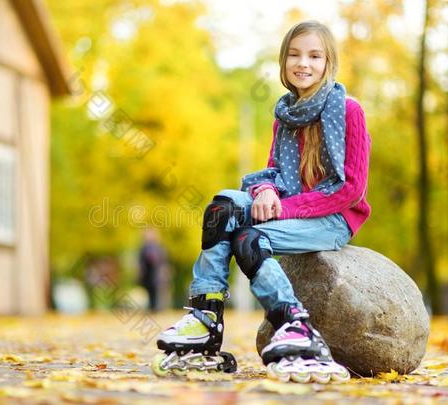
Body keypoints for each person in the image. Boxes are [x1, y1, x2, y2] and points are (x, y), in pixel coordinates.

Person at [151, 21, 371, 384]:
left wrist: (283, 208)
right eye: (295, 55)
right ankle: (206, 318)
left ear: (328, 62)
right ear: (284, 62)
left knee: (250, 239)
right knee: (221, 208)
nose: (304, 63)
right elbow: (273, 172)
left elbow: (351, 189)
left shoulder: (348, 111)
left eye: (315, 56)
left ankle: (294, 326)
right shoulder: (285, 115)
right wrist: (264, 191)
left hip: (333, 218)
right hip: (289, 208)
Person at [138, 228, 170, 311]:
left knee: (156, 292)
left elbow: (162, 261)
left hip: (156, 275)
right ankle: (153, 308)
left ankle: (156, 308)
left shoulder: (157, 247)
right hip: (149, 275)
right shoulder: (145, 247)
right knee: (151, 292)